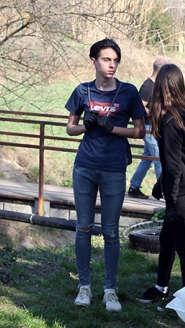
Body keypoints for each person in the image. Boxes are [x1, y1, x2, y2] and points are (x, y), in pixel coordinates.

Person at [65, 38, 146, 312]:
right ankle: (84, 287)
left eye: (115, 60)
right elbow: (69, 129)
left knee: (111, 232)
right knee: (84, 227)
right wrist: (85, 126)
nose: (111, 65)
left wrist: (112, 128)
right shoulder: (82, 91)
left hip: (113, 167)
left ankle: (110, 290)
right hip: (85, 166)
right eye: (106, 59)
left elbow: (140, 132)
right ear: (93, 61)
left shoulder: (128, 91)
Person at [136, 64, 185, 303]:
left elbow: (173, 165)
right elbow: (181, 157)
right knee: (167, 239)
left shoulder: (170, 121)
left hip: (183, 192)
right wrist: (161, 183)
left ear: (161, 88)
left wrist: (170, 202)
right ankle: (161, 287)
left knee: (184, 247)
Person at [127, 57, 168, 199]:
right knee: (158, 158)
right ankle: (163, 191)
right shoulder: (147, 86)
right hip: (148, 126)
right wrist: (158, 113)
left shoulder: (156, 85)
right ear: (161, 70)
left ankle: (134, 186)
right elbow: (139, 107)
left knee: (147, 159)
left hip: (154, 126)